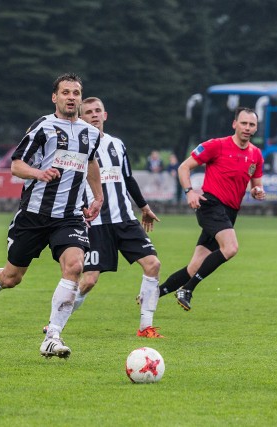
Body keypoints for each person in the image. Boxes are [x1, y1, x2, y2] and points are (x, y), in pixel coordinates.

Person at [0, 73, 104, 359]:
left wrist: (98, 196)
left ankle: (53, 336)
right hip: (34, 215)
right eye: (65, 92)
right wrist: (38, 173)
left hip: (69, 216)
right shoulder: (43, 127)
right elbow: (16, 166)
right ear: (54, 97)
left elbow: (90, 162)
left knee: (75, 266)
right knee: (11, 278)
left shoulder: (90, 133)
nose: (71, 97)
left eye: (76, 93)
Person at [157, 107, 266, 311]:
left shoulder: (256, 155)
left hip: (230, 213)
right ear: (235, 124)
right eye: (243, 123)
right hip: (211, 205)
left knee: (195, 266)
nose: (247, 128)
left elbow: (256, 185)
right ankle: (187, 289)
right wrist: (189, 191)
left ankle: (153, 294)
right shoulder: (216, 145)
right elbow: (183, 167)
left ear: (256, 128)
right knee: (231, 248)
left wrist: (258, 191)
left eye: (252, 124)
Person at [74, 96, 163, 338]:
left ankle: (146, 327)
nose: (94, 115)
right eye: (88, 111)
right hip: (96, 223)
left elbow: (128, 179)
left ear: (105, 115)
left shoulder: (117, 144)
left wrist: (144, 207)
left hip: (125, 220)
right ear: (80, 117)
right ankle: (55, 323)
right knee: (89, 280)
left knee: (153, 264)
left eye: (97, 110)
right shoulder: (77, 147)